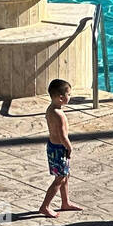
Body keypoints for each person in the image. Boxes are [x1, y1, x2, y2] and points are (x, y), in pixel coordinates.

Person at [40, 79, 80, 217]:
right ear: (61, 97)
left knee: (65, 175)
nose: (70, 96)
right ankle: (45, 206)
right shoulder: (59, 115)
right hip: (59, 149)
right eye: (69, 94)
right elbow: (63, 136)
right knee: (60, 178)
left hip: (52, 146)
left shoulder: (50, 109)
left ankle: (65, 202)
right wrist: (69, 148)